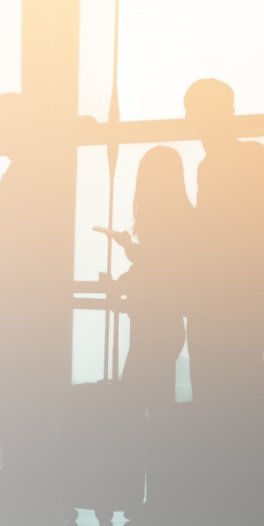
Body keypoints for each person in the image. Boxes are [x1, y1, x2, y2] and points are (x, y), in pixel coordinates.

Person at [0, 91, 77, 516]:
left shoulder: (20, 176)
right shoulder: (39, 171)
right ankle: (33, 489)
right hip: (37, 307)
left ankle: (22, 487)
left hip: (18, 309)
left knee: (18, 401)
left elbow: (10, 240)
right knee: (34, 401)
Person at [183, 78, 264, 414]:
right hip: (237, 296)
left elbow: (220, 232)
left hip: (224, 299)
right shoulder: (247, 157)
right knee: (240, 390)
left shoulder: (232, 161)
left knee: (222, 392)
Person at [104, 145, 198, 411]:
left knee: (133, 403)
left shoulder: (162, 218)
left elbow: (159, 266)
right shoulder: (182, 217)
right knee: (155, 406)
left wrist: (131, 267)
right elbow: (166, 265)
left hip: (154, 324)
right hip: (165, 324)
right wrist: (134, 253)